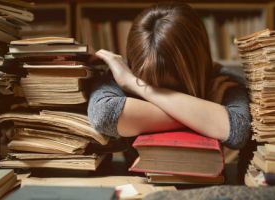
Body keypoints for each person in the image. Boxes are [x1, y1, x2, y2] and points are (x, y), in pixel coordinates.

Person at [88, 2, 251, 150]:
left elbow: (238, 129)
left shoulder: (221, 80)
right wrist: (207, 114)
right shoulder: (122, 73)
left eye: (172, 88)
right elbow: (105, 115)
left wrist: (138, 86)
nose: (159, 89)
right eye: (148, 83)